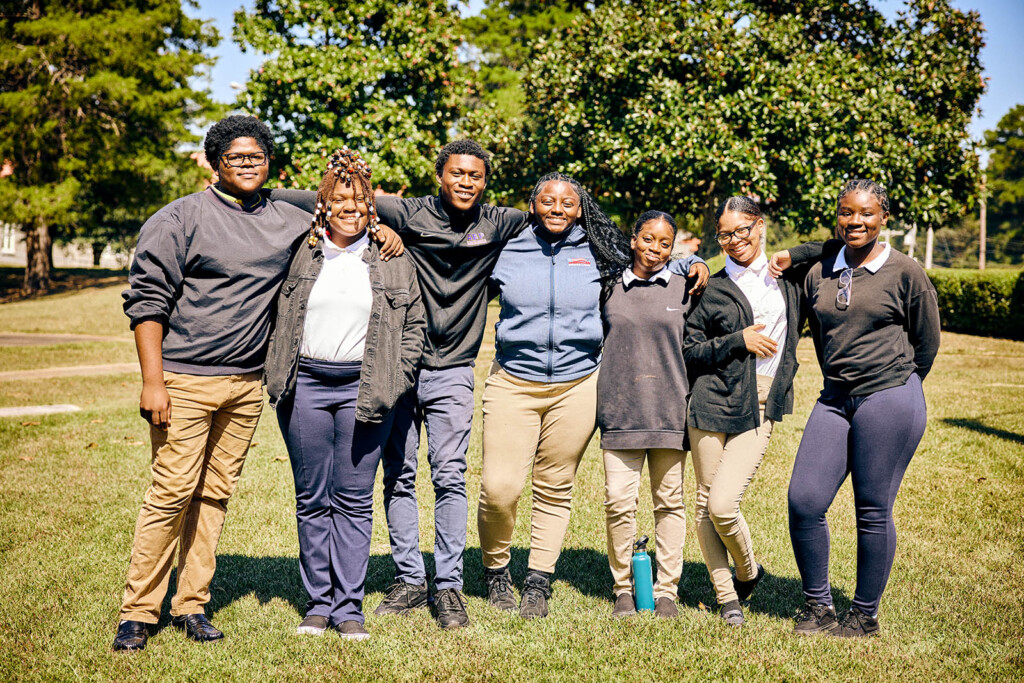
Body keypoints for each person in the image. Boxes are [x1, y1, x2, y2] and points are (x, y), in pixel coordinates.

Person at [114, 116, 316, 652]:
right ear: (215, 161)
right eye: (236, 157)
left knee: (214, 495)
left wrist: (382, 228)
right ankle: (138, 611)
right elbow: (147, 303)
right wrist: (152, 382)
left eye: (257, 157)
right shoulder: (180, 217)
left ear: (269, 162)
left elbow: (346, 219)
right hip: (184, 380)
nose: (247, 165)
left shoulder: (288, 219)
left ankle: (192, 604)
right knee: (171, 493)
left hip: (248, 384)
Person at [478, 174, 708, 619]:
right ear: (533, 205)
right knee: (498, 489)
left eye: (568, 202)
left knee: (555, 486)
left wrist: (691, 262)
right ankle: (496, 570)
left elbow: (651, 257)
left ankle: (538, 581)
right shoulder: (507, 247)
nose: (558, 208)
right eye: (548, 200)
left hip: (578, 384)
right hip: (513, 380)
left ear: (581, 208)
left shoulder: (599, 250)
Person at [263, 148, 425, 640]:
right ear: (323, 205)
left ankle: (349, 608)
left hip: (365, 386)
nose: (349, 208)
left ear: (371, 205)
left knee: (353, 500)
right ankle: (317, 603)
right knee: (312, 498)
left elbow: (414, 327)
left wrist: (394, 381)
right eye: (339, 200)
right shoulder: (302, 252)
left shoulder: (393, 258)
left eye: (359, 200)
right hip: (306, 384)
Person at [774, 179, 940, 638]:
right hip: (834, 398)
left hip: (888, 396)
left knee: (871, 508)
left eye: (866, 213)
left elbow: (927, 343)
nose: (856, 222)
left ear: (883, 217)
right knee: (804, 500)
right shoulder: (820, 270)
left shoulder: (906, 272)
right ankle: (818, 607)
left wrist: (899, 387)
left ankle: (864, 615)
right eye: (847, 212)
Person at [683, 196, 832, 626]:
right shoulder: (707, 283)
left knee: (724, 504)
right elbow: (689, 350)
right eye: (725, 234)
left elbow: (834, 246)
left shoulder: (787, 277)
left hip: (762, 400)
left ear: (760, 226)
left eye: (742, 230)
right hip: (711, 399)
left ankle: (748, 572)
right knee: (704, 504)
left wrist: (791, 254)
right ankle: (727, 595)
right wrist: (736, 341)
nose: (734, 241)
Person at [598, 211, 697, 619]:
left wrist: (696, 262)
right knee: (619, 502)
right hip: (620, 411)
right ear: (634, 239)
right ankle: (623, 587)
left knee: (669, 503)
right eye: (648, 239)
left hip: (671, 410)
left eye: (665, 243)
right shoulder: (607, 288)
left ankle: (667, 590)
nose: (656, 249)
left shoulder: (685, 288)